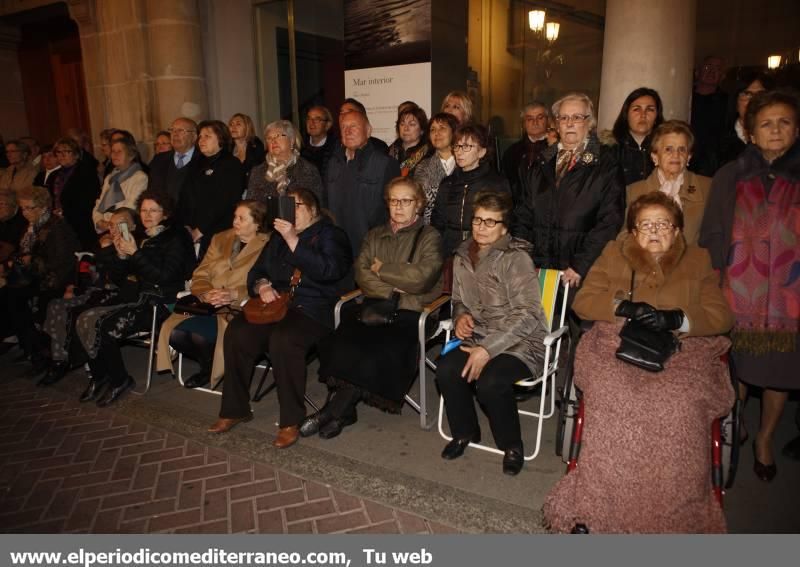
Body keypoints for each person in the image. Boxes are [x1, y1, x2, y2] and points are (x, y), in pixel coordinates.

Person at [543, 192, 735, 533]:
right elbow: (584, 302)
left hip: (681, 351)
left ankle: (676, 518)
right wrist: (623, 307)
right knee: (614, 396)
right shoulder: (615, 255)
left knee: (681, 406)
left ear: (677, 230)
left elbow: (721, 316)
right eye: (646, 224)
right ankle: (594, 508)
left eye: (664, 223)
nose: (655, 230)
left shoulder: (697, 260)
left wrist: (679, 319)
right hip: (618, 345)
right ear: (633, 231)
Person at [699, 90, 800, 482]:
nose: (775, 130)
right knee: (738, 368)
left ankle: (765, 438)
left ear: (796, 129)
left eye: (784, 122)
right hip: (739, 294)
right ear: (751, 133)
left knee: (781, 373)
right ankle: (734, 427)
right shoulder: (731, 174)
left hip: (790, 301)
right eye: (766, 123)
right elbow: (713, 233)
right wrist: (712, 282)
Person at [207, 188, 352, 449]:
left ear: (313, 209)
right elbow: (257, 271)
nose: (291, 211)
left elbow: (329, 271)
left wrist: (293, 239)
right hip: (276, 305)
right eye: (287, 205)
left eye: (296, 206)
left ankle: (290, 421)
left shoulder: (331, 235)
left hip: (313, 308)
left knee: (284, 339)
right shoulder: (276, 238)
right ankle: (235, 408)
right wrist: (262, 286)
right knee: (238, 332)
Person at [302, 177, 443, 439]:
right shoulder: (375, 234)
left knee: (378, 350)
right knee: (343, 340)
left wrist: (382, 269)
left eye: (406, 201)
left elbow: (421, 278)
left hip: (413, 312)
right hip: (374, 307)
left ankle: (332, 412)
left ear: (419, 204)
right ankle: (342, 411)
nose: (399, 206)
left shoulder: (429, 236)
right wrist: (392, 286)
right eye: (393, 201)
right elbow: (361, 274)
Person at [437, 192, 547, 476]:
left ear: (504, 228)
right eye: (477, 220)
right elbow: (458, 298)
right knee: (447, 369)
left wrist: (488, 350)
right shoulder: (462, 255)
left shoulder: (515, 258)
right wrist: (460, 316)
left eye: (490, 221)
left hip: (522, 341)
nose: (481, 227)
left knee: (491, 380)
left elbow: (528, 314)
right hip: (480, 335)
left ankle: (512, 445)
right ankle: (465, 433)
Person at [73, 190, 195, 407]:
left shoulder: (176, 237)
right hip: (136, 299)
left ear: (165, 214)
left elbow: (166, 276)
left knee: (105, 326)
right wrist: (121, 254)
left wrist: (136, 253)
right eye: (143, 210)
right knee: (83, 319)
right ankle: (101, 377)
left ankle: (120, 380)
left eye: (153, 211)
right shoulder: (141, 236)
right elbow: (119, 278)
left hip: (162, 303)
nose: (147, 215)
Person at [512, 92, 625, 289]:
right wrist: (525, 261)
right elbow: (523, 215)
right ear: (556, 124)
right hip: (538, 271)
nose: (570, 123)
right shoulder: (541, 162)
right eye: (564, 117)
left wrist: (580, 266)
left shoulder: (606, 165)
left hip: (581, 273)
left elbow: (609, 222)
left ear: (589, 123)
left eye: (577, 117)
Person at [155, 200, 270, 389]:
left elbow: (265, 281)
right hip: (205, 303)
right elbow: (201, 273)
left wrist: (234, 294)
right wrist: (206, 293)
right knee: (173, 332)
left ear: (257, 223)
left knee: (199, 337)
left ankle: (210, 370)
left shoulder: (268, 244)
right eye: (235, 216)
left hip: (238, 308)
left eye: (242, 218)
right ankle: (208, 366)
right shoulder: (220, 238)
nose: (235, 221)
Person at [37, 207, 140, 387]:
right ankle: (60, 360)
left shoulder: (134, 245)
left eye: (120, 224)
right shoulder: (102, 241)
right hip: (92, 289)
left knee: (80, 314)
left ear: (132, 226)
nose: (114, 229)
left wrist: (110, 250)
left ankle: (95, 371)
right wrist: (72, 285)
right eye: (111, 224)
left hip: (114, 294)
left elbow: (121, 277)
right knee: (56, 305)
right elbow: (84, 266)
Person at [3, 185, 80, 371]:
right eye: (22, 208)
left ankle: (39, 351)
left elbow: (62, 261)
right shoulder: (31, 227)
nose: (25, 213)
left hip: (55, 279)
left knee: (14, 298)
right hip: (35, 277)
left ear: (43, 207)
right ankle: (30, 347)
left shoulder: (56, 226)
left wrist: (31, 261)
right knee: (8, 296)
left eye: (30, 208)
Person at [325, 109, 401, 258]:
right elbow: (326, 206)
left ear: (368, 130)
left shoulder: (385, 164)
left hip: (371, 250)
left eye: (354, 126)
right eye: (344, 127)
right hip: (338, 249)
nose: (348, 131)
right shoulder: (333, 164)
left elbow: (392, 212)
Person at [431, 123, 510, 258]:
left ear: (481, 152)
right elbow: (437, 222)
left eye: (466, 146)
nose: (459, 152)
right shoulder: (448, 183)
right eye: (457, 146)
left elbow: (504, 223)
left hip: (483, 251)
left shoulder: (496, 183)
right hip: (448, 251)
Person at [625, 120, 710, 245]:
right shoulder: (634, 191)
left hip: (692, 261)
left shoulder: (708, 188)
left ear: (689, 157)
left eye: (682, 149)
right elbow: (624, 236)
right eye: (668, 149)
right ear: (655, 156)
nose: (676, 155)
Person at [179, 120, 244, 258]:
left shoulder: (231, 164)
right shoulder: (195, 164)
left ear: (221, 138)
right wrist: (186, 226)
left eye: (207, 136)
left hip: (218, 230)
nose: (201, 140)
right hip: (192, 230)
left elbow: (224, 201)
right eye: (200, 136)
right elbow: (185, 196)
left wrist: (200, 229)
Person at [245, 120, 322, 204]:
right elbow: (251, 207)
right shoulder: (258, 172)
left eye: (278, 136)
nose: (273, 141)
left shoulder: (307, 170)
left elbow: (315, 206)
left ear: (292, 140)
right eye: (269, 138)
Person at [604, 87, 664, 186]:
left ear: (657, 116)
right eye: (636, 109)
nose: (643, 115)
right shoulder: (608, 149)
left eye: (650, 109)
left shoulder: (667, 150)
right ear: (626, 115)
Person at [49, 137, 102, 249]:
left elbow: (90, 200)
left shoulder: (87, 172)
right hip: (58, 222)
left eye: (67, 151)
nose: (62, 155)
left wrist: (65, 211)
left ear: (76, 154)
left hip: (81, 222)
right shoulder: (53, 175)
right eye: (58, 152)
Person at [92, 137, 148, 234]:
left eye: (119, 151)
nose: (115, 154)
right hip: (105, 227)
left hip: (126, 228)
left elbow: (130, 207)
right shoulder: (110, 177)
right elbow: (99, 203)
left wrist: (109, 223)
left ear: (130, 155)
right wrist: (99, 221)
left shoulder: (139, 177)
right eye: (113, 151)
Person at [718, 72, 775, 167]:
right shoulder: (718, 140)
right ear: (735, 101)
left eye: (761, 94)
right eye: (747, 94)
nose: (754, 100)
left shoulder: (780, 138)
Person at [501, 102, 551, 202]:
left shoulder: (557, 149)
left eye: (540, 118)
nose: (535, 122)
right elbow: (505, 186)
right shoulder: (511, 152)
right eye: (529, 119)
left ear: (548, 121)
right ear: (524, 124)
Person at [414, 113, 459, 223]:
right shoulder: (422, 167)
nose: (436, 133)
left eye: (442, 128)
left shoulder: (465, 163)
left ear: (454, 132)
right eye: (432, 130)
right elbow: (417, 206)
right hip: (430, 229)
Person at [690, 56, 729, 176]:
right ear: (697, 72)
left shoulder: (728, 102)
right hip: (686, 156)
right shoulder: (685, 95)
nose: (712, 71)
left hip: (714, 164)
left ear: (722, 76)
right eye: (708, 67)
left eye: (717, 69)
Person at [148, 117, 200, 202]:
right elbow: (151, 193)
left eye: (181, 130)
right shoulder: (159, 160)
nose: (175, 134)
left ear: (194, 137)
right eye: (172, 130)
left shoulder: (204, 160)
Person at [388, 106, 430, 177]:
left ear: (422, 130)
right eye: (402, 124)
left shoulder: (429, 155)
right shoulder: (389, 152)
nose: (406, 128)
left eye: (412, 124)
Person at [228, 113, 265, 187]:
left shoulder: (256, 144)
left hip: (253, 188)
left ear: (247, 127)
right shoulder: (227, 148)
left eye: (238, 124)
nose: (233, 127)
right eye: (231, 124)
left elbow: (257, 171)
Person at [300, 105, 337, 176]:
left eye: (317, 119)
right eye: (309, 118)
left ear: (327, 125)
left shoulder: (336, 147)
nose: (311, 122)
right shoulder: (300, 147)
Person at [0, 189, 26, 263]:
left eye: (1, 204)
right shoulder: (3, 218)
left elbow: (7, 250)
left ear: (14, 205)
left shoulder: (22, 222)